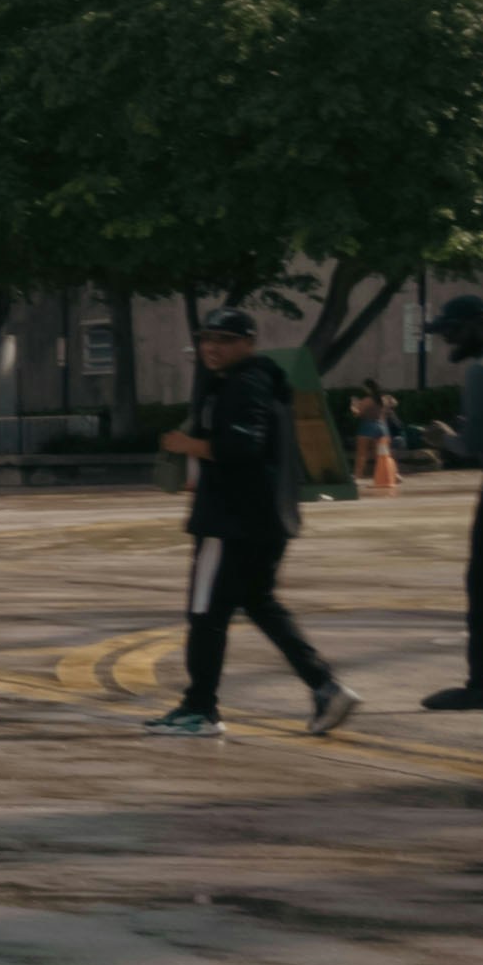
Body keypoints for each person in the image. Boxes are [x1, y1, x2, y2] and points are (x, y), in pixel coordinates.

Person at [152, 313, 350, 738]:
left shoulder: (244, 383)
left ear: (248, 342)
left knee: (205, 613)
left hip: (230, 524)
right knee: (260, 604)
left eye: (224, 339)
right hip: (266, 521)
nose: (212, 347)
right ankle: (325, 686)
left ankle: (199, 709)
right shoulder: (261, 382)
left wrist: (188, 445)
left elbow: (241, 446)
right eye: (207, 338)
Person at [433, 295, 483, 713]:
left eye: (452, 330)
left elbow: (477, 444)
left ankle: (480, 683)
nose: (448, 340)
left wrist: (444, 439)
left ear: (478, 325)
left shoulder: (482, 371)